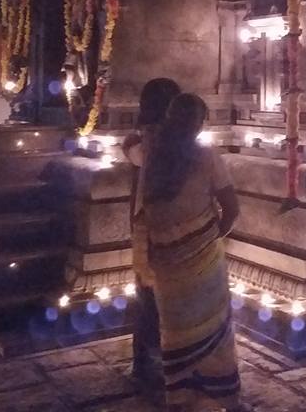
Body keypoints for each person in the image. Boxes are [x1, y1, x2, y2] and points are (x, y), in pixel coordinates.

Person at [140, 93, 244, 412]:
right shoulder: (206, 156)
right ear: (198, 123)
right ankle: (218, 396)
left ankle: (182, 396)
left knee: (175, 331)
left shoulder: (151, 154)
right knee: (214, 329)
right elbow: (231, 208)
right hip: (202, 258)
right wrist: (209, 238)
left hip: (165, 260)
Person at [122, 77, 182, 398]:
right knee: (153, 300)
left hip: (154, 229)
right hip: (158, 230)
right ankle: (151, 365)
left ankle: (149, 363)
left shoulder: (143, 142)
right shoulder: (150, 144)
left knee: (150, 299)